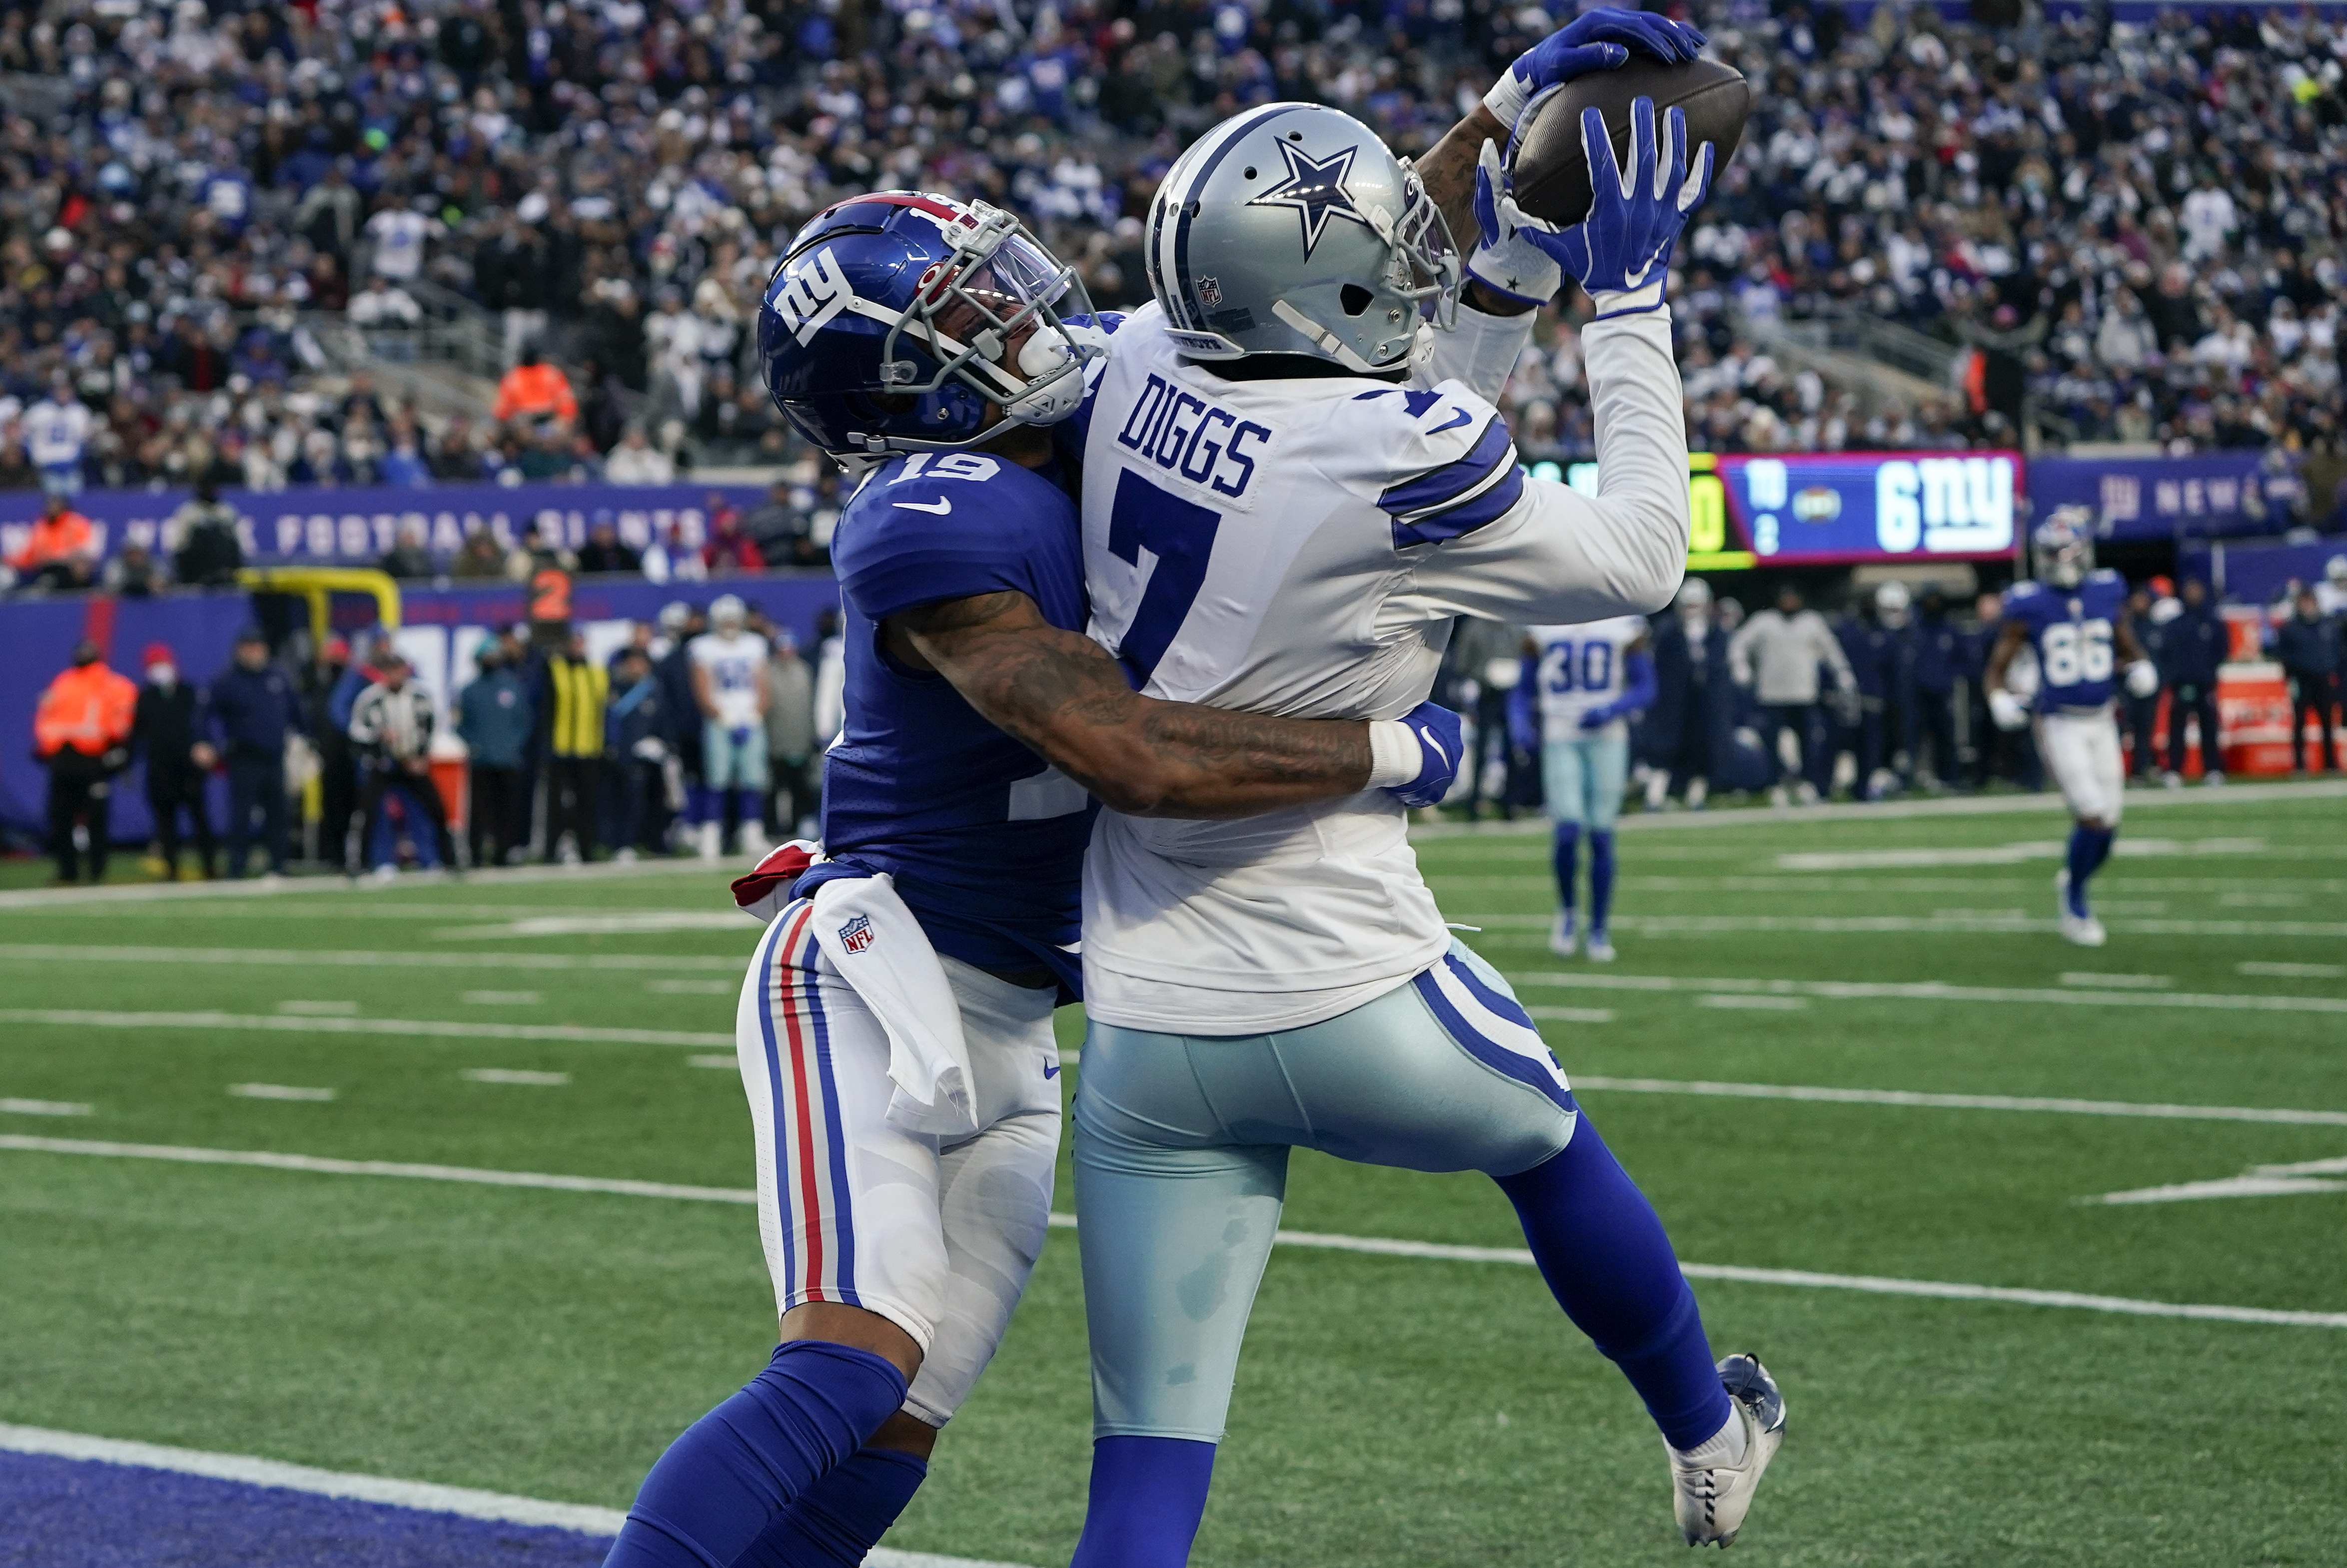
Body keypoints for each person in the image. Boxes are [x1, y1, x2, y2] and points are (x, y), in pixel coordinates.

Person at [597, 185, 1465, 1568]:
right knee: (844, 1368)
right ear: (900, 377)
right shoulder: (932, 517)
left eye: (999, 280)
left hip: (1017, 1024)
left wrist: (1492, 126)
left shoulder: (1094, 400)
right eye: (969, 305)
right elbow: (1131, 755)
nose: (1024, 309)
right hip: (878, 976)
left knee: (897, 1434)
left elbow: (1293, 262)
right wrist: (1388, 749)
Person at [1061, 38, 1779, 1562]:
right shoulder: (1403, 443)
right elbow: (1641, 554)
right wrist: (1629, 297)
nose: (1408, 250)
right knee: (1547, 1149)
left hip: (1140, 1012)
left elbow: (1348, 394)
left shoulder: (1128, 357)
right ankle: (1708, 1435)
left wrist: (1502, 195)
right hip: (1342, 981)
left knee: (1141, 1472)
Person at [1982, 513, 2160, 947]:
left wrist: (2139, 663)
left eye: (2065, 551)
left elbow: (2123, 638)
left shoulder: (2105, 591)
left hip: (2102, 718)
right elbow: (1997, 666)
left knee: (2110, 824)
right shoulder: (2030, 603)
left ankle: (2073, 879)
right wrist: (1997, 697)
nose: (2059, 560)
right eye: (2050, 553)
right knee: (2092, 817)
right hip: (2059, 721)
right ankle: (2075, 898)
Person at [1513, 615, 1653, 960]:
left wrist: (1612, 708)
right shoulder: (1544, 621)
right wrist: (1519, 721)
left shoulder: (1623, 622)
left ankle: (1598, 927)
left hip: (1608, 738)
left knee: (1602, 833)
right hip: (1560, 734)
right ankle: (1567, 912)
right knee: (1568, 827)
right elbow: (1522, 688)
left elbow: (1646, 686)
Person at [1729, 582, 1853, 806]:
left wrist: (1842, 673)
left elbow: (1831, 650)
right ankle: (1775, 784)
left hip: (1803, 693)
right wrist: (1741, 667)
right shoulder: (1764, 621)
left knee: (1806, 742)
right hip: (1771, 694)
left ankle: (1806, 783)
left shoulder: (1812, 622)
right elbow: (1738, 644)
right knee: (1772, 742)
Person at [32, 641, 136, 884]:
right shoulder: (64, 682)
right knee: (62, 817)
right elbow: (47, 717)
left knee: (95, 818)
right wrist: (47, 747)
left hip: (93, 759)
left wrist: (118, 750)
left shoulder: (112, 684)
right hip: (66, 757)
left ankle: (94, 870)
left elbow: (124, 720)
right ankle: (70, 870)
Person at [206, 628, 305, 879]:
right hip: (244, 757)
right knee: (241, 815)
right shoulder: (227, 680)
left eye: (258, 647)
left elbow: (297, 712)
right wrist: (207, 744)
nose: (254, 653)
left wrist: (307, 739)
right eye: (249, 647)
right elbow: (205, 716)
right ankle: (237, 867)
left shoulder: (278, 676)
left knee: (278, 813)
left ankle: (279, 865)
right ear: (239, 650)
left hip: (274, 756)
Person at [348, 652, 457, 876]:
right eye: (389, 671)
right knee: (369, 812)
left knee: (435, 809)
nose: (394, 675)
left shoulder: (420, 696)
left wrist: (421, 757)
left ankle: (444, 860)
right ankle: (365, 863)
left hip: (413, 762)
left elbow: (430, 728)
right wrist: (378, 738)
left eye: (398, 670)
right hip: (382, 764)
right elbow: (357, 731)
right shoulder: (370, 698)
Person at [686, 593, 769, 859]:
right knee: (717, 781)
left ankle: (752, 836)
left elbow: (763, 684)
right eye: (725, 620)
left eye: (733, 619)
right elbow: (701, 687)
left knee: (753, 781)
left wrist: (755, 715)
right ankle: (711, 836)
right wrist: (723, 717)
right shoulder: (704, 647)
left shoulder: (754, 645)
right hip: (719, 722)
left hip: (751, 720)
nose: (730, 624)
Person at [131, 643, 216, 880]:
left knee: (200, 820)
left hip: (188, 768)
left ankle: (210, 866)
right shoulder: (146, 697)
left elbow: (204, 726)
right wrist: (126, 763)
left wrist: (207, 750)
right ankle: (171, 869)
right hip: (160, 770)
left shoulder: (190, 693)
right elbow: (136, 733)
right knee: (166, 824)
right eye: (153, 665)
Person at [1642, 578, 1722, 810]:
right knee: (1665, 749)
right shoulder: (1667, 631)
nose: (1693, 612)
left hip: (1704, 700)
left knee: (1702, 749)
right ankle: (1655, 797)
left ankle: (1696, 797)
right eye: (1689, 606)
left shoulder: (1716, 631)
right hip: (1672, 700)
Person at [457, 641, 533, 866]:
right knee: (479, 811)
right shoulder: (470, 691)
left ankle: (504, 852)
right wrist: (474, 744)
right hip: (481, 761)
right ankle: (476, 854)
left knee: (507, 809)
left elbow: (524, 722)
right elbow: (461, 724)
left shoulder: (512, 687)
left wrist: (513, 746)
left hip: (507, 760)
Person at [543, 632, 609, 864]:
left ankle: (587, 850)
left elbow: (606, 710)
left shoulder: (597, 672)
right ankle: (551, 850)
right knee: (556, 805)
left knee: (587, 804)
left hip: (589, 747)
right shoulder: (554, 668)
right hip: (560, 748)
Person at [605, 649, 672, 860]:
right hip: (625, 758)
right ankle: (623, 843)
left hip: (653, 759)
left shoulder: (655, 690)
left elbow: (665, 720)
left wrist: (662, 743)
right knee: (627, 802)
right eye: (632, 663)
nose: (636, 668)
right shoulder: (615, 690)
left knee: (657, 802)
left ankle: (657, 843)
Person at [2161, 576, 2227, 786]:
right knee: (2178, 727)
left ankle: (2213, 769)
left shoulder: (2212, 623)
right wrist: (2175, 675)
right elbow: (2167, 653)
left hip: (2205, 682)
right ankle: (2174, 770)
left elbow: (2221, 650)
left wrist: (2209, 672)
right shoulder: (2176, 624)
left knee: (2209, 727)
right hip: (2182, 683)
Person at [2269, 586, 2341, 774]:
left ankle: (2330, 764)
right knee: (2299, 723)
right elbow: (2281, 654)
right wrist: (2291, 674)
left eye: (2311, 601)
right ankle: (2300, 765)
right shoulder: (2291, 628)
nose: (2308, 605)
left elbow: (2337, 651)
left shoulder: (2328, 625)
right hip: (2301, 680)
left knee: (2327, 723)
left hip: (2323, 679)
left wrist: (2332, 670)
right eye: (2304, 602)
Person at [763, 627, 820, 839]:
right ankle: (772, 829)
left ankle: (798, 828)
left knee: (800, 788)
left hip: (801, 742)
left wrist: (812, 736)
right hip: (775, 742)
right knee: (774, 789)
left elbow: (810, 706)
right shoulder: (768, 671)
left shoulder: (804, 671)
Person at [1909, 584, 1964, 789]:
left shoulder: (1949, 629)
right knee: (1913, 738)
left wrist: (1949, 677)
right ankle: (1910, 781)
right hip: (1918, 694)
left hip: (1942, 692)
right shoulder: (1914, 628)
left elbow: (1961, 658)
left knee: (1945, 738)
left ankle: (1949, 779)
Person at [8, 492, 98, 591]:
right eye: (50, 505)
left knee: (65, 573)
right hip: (46, 568)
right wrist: (11, 561)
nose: (51, 508)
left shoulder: (75, 523)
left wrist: (57, 557)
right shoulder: (42, 526)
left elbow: (84, 551)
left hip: (69, 568)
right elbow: (31, 553)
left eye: (55, 505)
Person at [170, 480, 244, 586]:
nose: (210, 492)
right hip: (196, 567)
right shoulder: (187, 513)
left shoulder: (226, 511)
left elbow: (236, 544)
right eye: (207, 489)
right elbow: (179, 546)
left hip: (223, 567)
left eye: (213, 489)